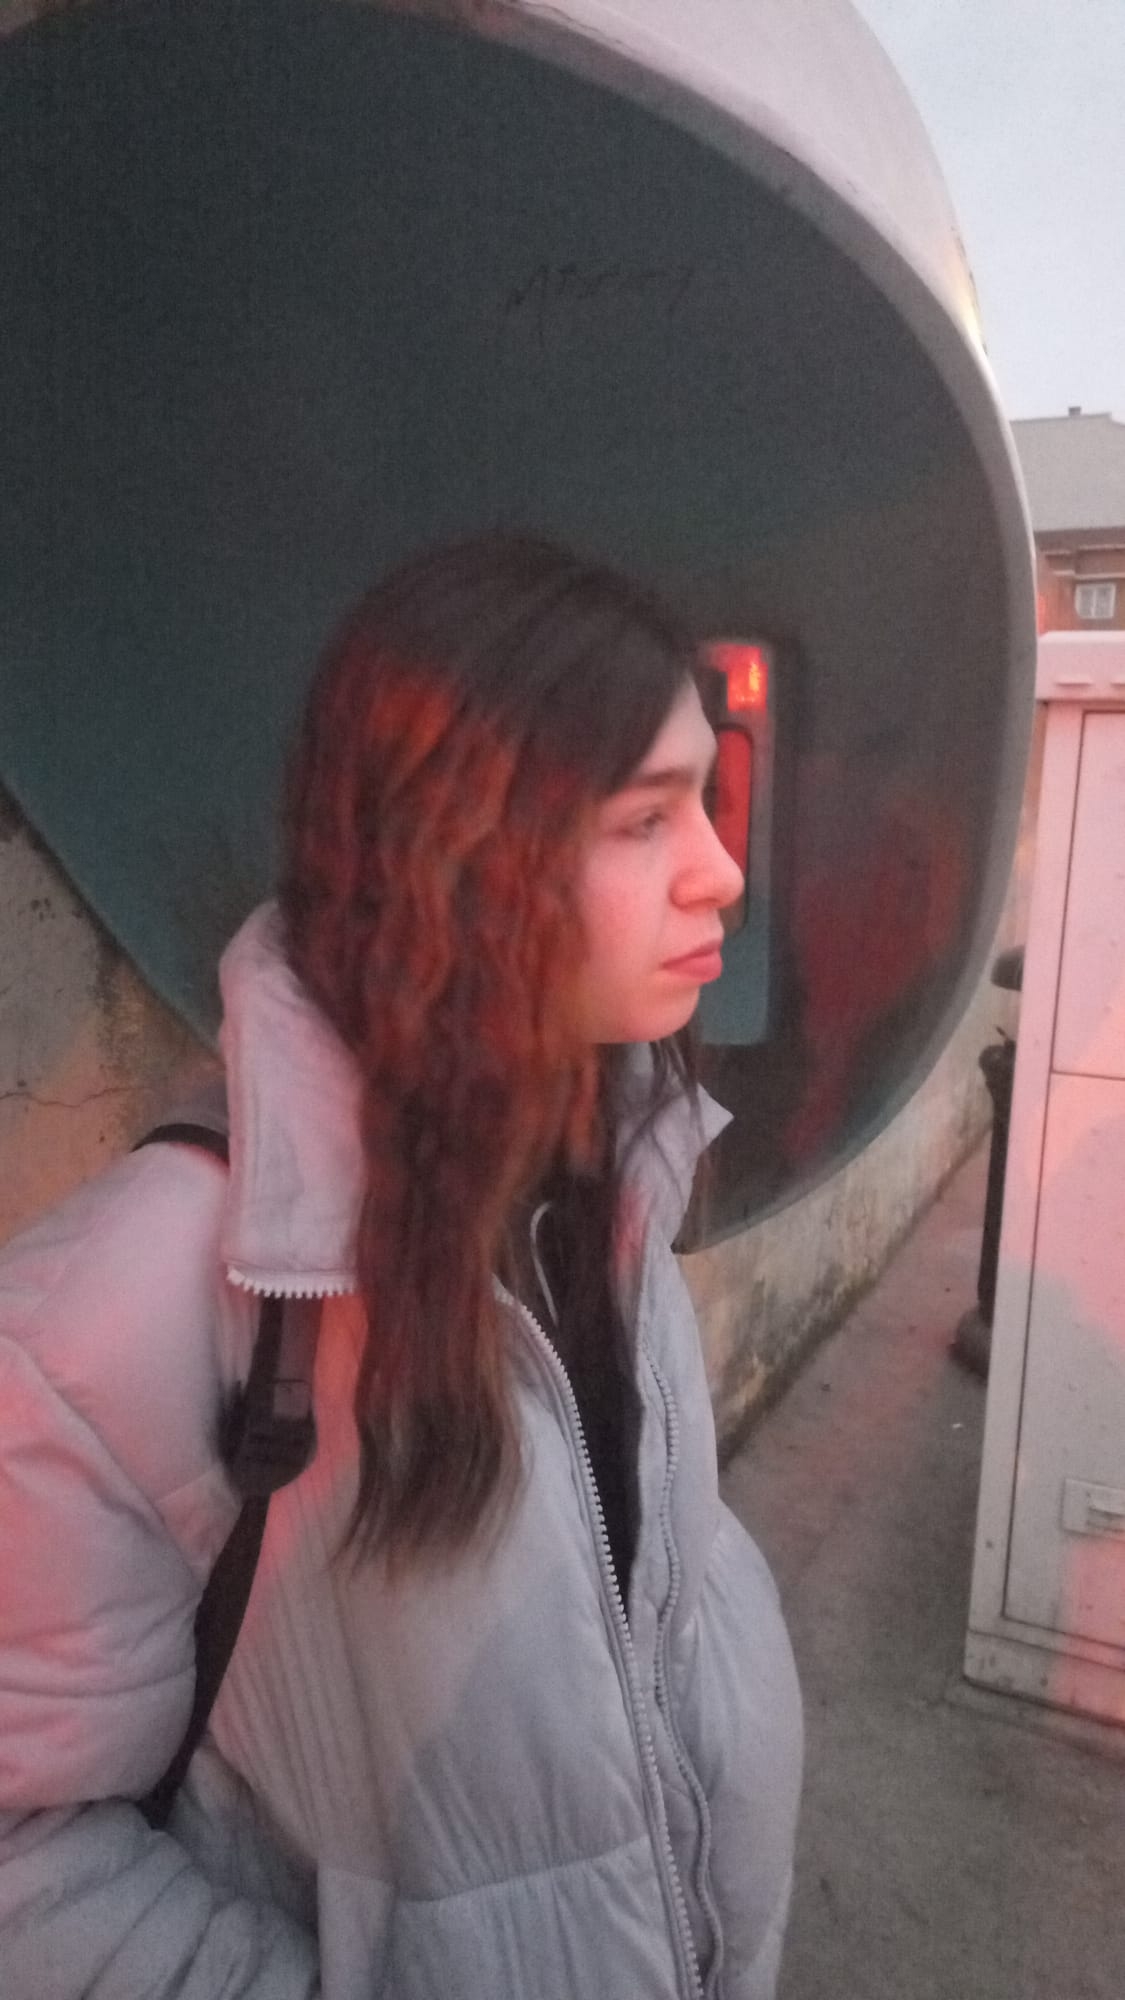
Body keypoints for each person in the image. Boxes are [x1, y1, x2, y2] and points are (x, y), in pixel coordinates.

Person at [0, 536, 803, 1999]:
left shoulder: (611, 1175)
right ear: (458, 856)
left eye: (709, 798)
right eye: (645, 819)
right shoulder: (124, 1308)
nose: (722, 875)